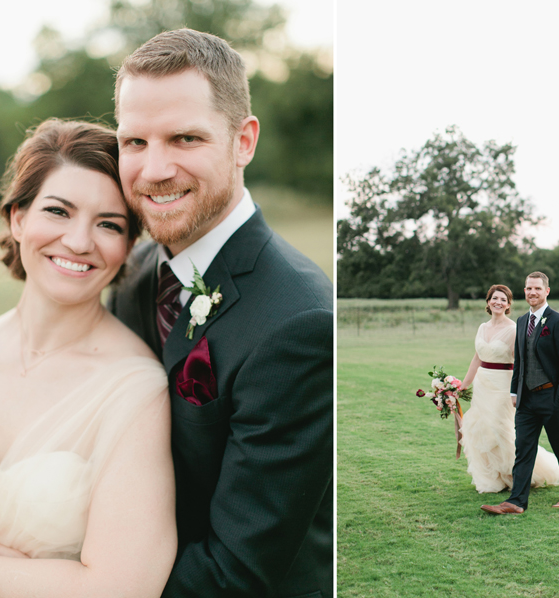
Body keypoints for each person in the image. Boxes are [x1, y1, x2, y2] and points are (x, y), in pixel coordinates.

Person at [107, 29, 333, 597]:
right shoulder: (132, 273)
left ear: (243, 141)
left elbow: (236, 572)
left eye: (184, 138)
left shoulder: (299, 322)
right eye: (134, 142)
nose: (154, 169)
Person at [0, 119, 177, 595]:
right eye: (58, 211)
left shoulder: (136, 390)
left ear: (127, 247)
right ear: (18, 218)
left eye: (109, 224)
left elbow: (121, 589)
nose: (80, 242)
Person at [481, 272, 559, 515]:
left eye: (537, 288)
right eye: (528, 289)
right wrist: (515, 391)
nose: (532, 292)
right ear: (524, 291)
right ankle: (516, 502)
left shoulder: (558, 321)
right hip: (526, 400)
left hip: (551, 397)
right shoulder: (522, 321)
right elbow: (521, 362)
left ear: (547, 291)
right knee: (523, 449)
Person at [460, 284, 559, 493]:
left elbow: (521, 362)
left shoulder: (514, 329)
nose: (498, 302)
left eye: (503, 300)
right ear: (488, 302)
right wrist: (463, 385)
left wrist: (521, 390)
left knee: (501, 429)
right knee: (481, 430)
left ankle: (517, 474)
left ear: (508, 305)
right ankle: (493, 476)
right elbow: (477, 358)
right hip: (482, 385)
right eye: (494, 298)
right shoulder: (482, 327)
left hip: (502, 385)